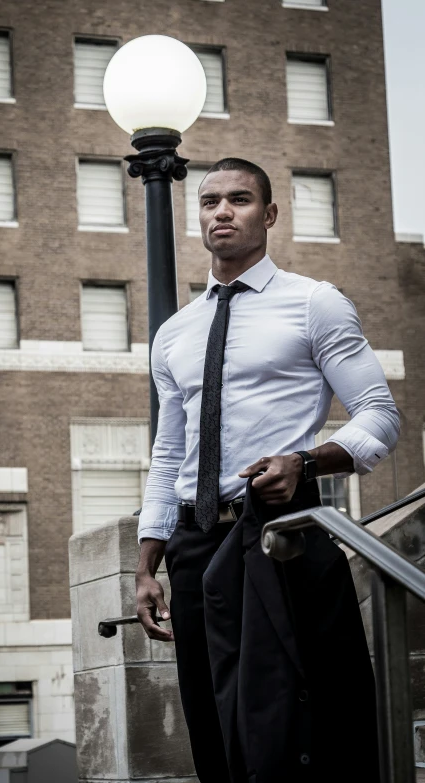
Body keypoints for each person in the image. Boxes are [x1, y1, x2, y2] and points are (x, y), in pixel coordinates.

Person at [135, 158, 399, 783]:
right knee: (212, 714)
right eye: (209, 202)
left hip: (281, 532)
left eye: (240, 199)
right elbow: (169, 453)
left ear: (269, 214)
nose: (222, 212)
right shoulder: (174, 334)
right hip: (197, 542)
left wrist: (306, 460)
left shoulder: (315, 304)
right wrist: (148, 563)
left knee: (298, 711)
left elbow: (380, 417)